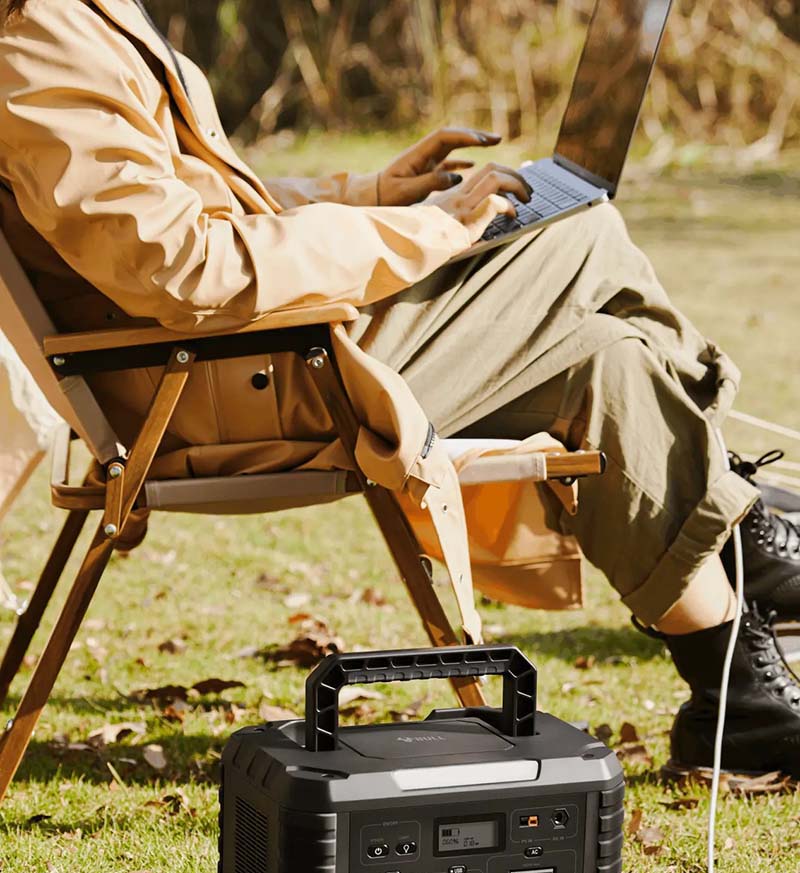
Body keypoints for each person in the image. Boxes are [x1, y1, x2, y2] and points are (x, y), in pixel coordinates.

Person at [1, 0, 799, 778]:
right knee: (580, 235)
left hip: (242, 361)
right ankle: (745, 534)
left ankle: (737, 705)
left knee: (604, 357)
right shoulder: (38, 43)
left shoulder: (72, 18)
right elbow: (182, 265)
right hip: (227, 386)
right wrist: (428, 228)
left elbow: (203, 203)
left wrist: (377, 193)